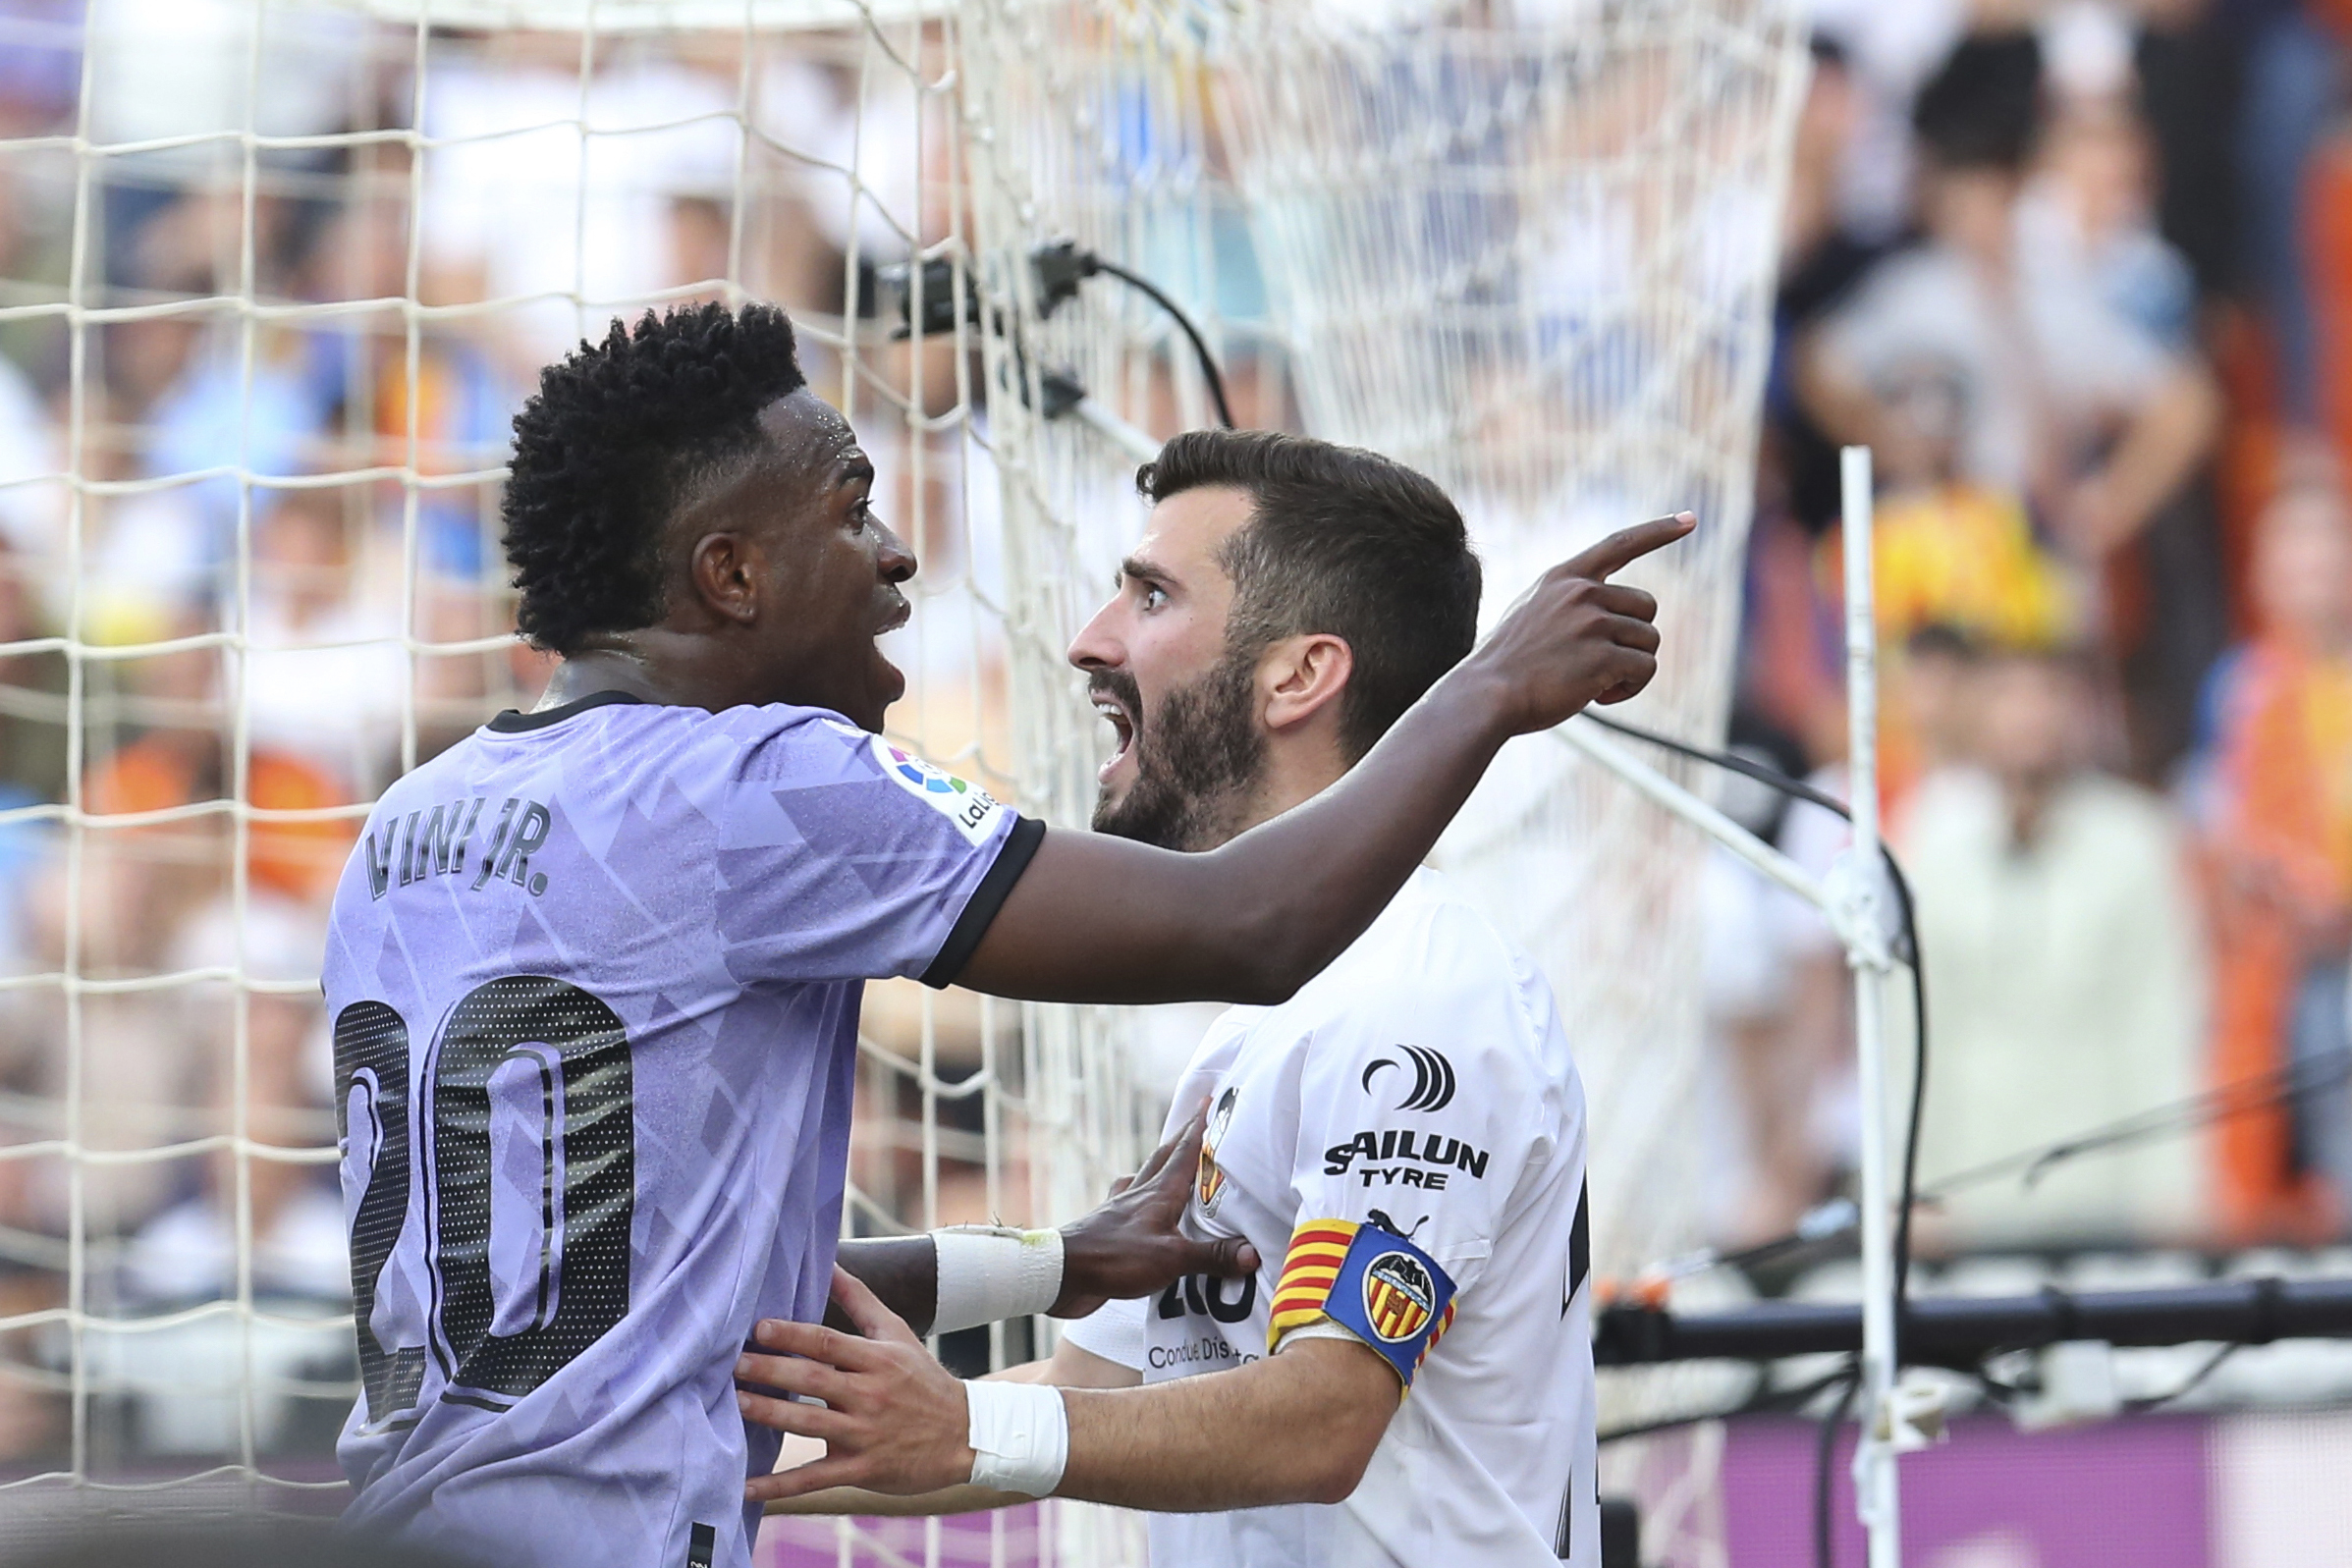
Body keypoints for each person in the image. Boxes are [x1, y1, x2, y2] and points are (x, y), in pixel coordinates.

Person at [322, 301, 1686, 1568]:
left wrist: (1047, 1270)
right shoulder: (758, 786)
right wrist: (1487, 690)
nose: (900, 552)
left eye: (1147, 596)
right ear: (728, 573)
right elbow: (1253, 924)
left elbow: (641, 1275)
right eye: (852, 508)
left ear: (1298, 670)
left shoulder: (408, 826)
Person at [737, 429, 1604, 1566]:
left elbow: (1322, 1419)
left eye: (1149, 596)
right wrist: (674, 1473)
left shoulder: (1417, 988)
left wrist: (960, 1426)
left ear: (1299, 673)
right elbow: (1088, 1385)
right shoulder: (1265, 1013)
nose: (1090, 641)